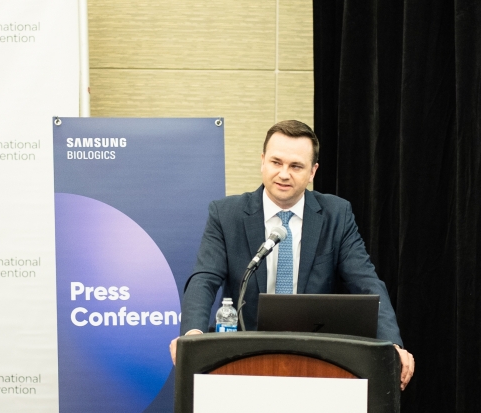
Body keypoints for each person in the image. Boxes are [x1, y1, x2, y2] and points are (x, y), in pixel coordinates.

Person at [169, 120, 414, 390]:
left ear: (312, 172)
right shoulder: (226, 214)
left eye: (296, 166)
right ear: (262, 161)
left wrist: (391, 344)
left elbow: (367, 282)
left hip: (316, 360)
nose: (284, 174)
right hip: (244, 357)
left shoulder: (336, 215)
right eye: (276, 162)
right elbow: (204, 278)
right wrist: (193, 335)